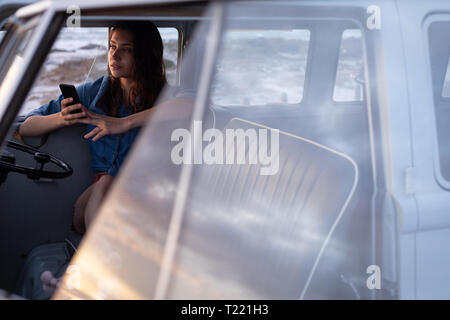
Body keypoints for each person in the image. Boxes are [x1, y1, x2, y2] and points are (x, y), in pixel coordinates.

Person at [19, 21, 193, 295]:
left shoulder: (164, 95)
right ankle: (102, 270)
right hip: (98, 199)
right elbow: (27, 126)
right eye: (112, 47)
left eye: (126, 50)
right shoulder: (95, 93)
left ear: (144, 55)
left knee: (110, 184)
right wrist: (62, 118)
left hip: (148, 197)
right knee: (106, 183)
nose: (114, 56)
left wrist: (124, 123)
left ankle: (92, 274)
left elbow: (193, 104)